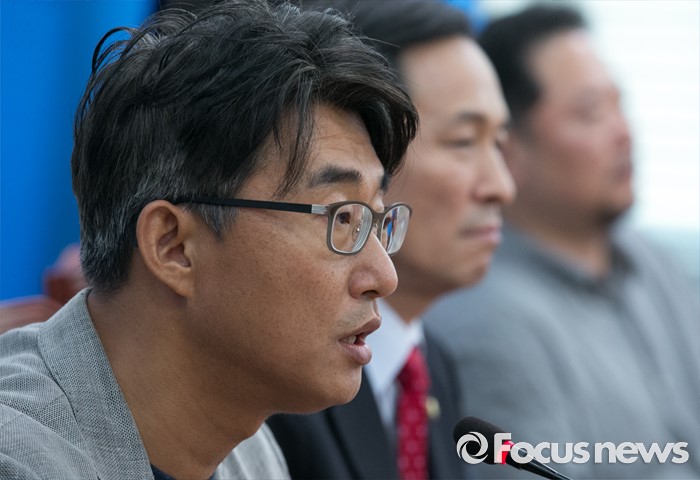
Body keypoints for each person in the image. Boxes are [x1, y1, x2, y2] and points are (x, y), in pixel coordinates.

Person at [0, 1, 419, 478]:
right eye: (341, 219)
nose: (384, 276)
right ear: (173, 246)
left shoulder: (250, 452)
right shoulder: (19, 460)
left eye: (376, 219)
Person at [425, 5, 700, 479]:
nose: (623, 132)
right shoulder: (488, 319)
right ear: (511, 149)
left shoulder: (651, 262)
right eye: (591, 112)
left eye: (619, 104)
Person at [268, 1, 515, 478]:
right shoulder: (280, 374)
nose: (501, 187)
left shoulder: (432, 365)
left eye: (500, 143)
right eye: (464, 142)